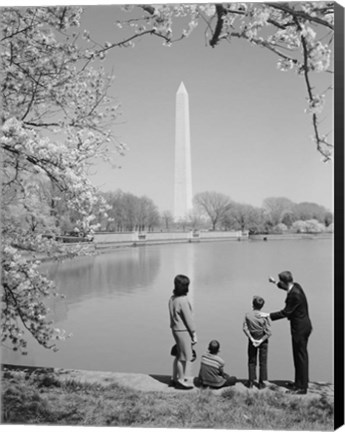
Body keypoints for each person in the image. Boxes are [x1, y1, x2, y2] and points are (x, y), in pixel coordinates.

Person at [260, 271, 312, 395]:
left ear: (285, 281)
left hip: (300, 329)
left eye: (280, 281)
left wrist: (268, 315)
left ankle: (302, 388)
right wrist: (274, 283)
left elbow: (286, 312)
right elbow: (285, 287)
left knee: (300, 357)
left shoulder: (295, 295)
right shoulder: (295, 286)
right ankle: (299, 382)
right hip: (302, 326)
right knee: (298, 355)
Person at [168, 274, 197, 389]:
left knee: (178, 355)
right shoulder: (183, 301)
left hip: (175, 329)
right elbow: (188, 320)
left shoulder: (172, 298)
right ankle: (181, 380)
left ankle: (175, 378)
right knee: (184, 357)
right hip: (183, 330)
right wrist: (193, 334)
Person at [243, 296, 271, 389]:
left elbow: (245, 328)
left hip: (252, 339)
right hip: (262, 339)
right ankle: (261, 383)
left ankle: (250, 382)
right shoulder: (264, 317)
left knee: (251, 360)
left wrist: (252, 339)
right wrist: (260, 341)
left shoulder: (248, 315)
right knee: (263, 362)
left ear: (252, 305)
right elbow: (269, 332)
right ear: (262, 306)